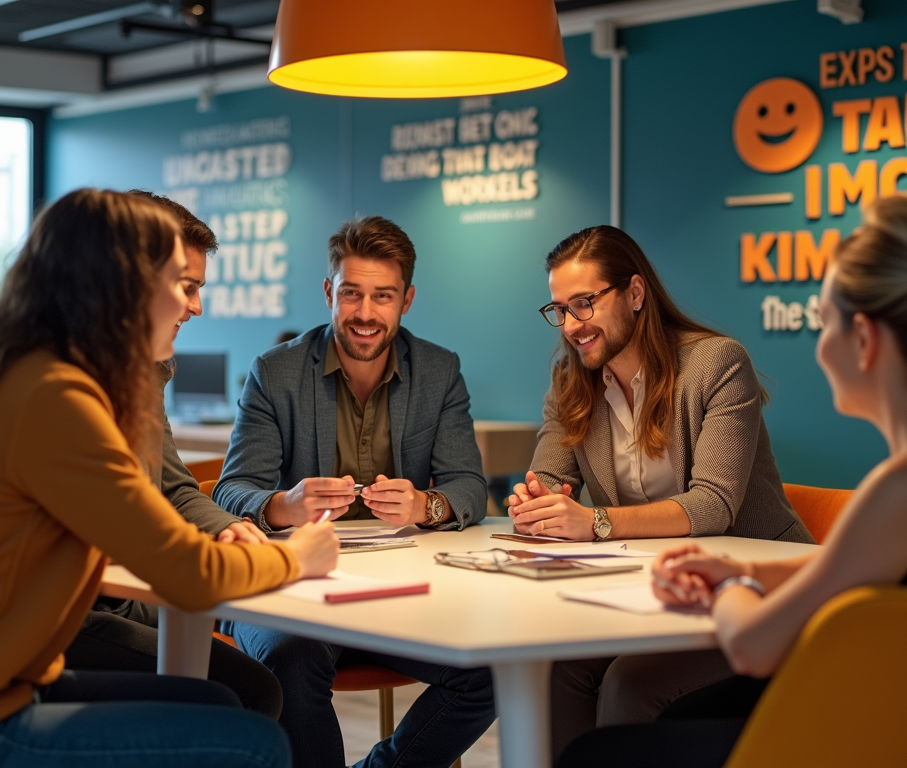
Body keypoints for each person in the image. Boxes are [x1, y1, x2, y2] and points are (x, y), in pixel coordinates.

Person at [0, 189, 339, 768]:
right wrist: (298, 556)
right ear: (122, 286)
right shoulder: (56, 399)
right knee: (255, 741)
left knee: (224, 700)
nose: (191, 306)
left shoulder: (20, 374)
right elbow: (188, 577)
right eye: (179, 282)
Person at [558, 194, 907, 767]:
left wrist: (727, 588)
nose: (820, 348)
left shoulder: (892, 492)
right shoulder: (893, 494)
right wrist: (742, 567)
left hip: (831, 721)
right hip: (866, 710)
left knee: (600, 751)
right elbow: (844, 566)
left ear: (865, 340)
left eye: (822, 324)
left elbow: (753, 644)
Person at [505, 225, 813, 761]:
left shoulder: (717, 364)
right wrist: (536, 503)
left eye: (584, 304)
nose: (572, 326)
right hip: (649, 592)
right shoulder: (571, 379)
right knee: (562, 668)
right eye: (559, 310)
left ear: (635, 293)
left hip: (756, 598)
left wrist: (595, 521)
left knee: (631, 681)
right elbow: (549, 477)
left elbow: (714, 504)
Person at [215, 215, 494, 768]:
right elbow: (230, 491)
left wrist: (426, 504)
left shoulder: (440, 371)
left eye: (383, 296)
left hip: (398, 594)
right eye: (352, 294)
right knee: (291, 660)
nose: (366, 314)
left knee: (491, 670)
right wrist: (283, 505)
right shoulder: (275, 372)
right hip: (291, 593)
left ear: (406, 300)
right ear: (329, 292)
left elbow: (469, 486)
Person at [63, 190, 284, 718]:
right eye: (187, 287)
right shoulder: (62, 383)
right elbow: (124, 526)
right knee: (247, 695)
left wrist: (224, 528)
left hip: (108, 597)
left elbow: (175, 487)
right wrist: (286, 558)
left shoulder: (143, 368)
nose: (197, 307)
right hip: (55, 616)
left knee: (268, 675)